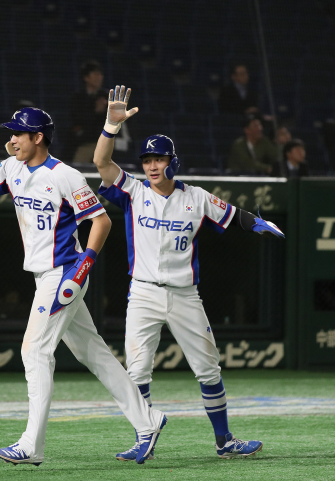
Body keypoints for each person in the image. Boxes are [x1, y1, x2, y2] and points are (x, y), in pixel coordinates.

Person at [0, 106, 167, 466]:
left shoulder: (66, 175)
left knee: (34, 352)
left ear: (38, 138)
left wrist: (84, 265)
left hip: (64, 272)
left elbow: (101, 221)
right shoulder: (13, 166)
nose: (12, 138)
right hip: (44, 275)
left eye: (19, 133)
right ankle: (149, 421)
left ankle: (31, 445)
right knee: (93, 352)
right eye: (11, 132)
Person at [94, 85, 285, 461]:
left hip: (184, 295)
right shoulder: (133, 190)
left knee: (207, 368)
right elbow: (102, 163)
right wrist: (110, 126)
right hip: (144, 293)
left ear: (173, 162)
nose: (151, 165)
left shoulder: (195, 197)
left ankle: (225, 441)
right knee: (137, 371)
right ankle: (144, 437)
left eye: (159, 159)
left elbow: (234, 215)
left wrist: (260, 225)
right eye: (147, 159)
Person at [70, 60, 109, 163]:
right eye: (95, 74)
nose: (99, 77)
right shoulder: (78, 98)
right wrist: (95, 111)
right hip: (85, 142)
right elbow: (77, 121)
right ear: (86, 78)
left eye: (100, 74)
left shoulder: (107, 97)